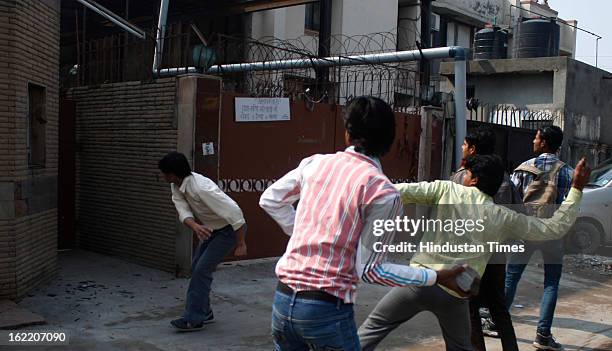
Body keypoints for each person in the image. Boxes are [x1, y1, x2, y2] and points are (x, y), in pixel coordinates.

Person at [259, 96, 466, 351]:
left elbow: (271, 200)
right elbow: (370, 270)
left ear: (347, 135)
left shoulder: (314, 164)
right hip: (326, 310)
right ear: (388, 144)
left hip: (283, 299)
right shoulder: (383, 192)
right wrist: (435, 276)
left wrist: (303, 232)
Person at [358, 154, 590, 351]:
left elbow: (395, 192)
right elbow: (553, 228)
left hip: (419, 282)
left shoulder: (445, 190)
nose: (462, 176)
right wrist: (576, 189)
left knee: (371, 331)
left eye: (466, 173)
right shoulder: (503, 217)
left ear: (474, 180)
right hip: (455, 294)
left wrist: (353, 191)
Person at [158, 151, 248, 331]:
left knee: (201, 270)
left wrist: (241, 244)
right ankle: (205, 311)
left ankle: (194, 318)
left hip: (230, 230)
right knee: (197, 266)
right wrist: (196, 227)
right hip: (212, 228)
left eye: (165, 173)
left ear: (173, 174)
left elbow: (236, 214)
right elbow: (182, 209)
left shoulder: (201, 188)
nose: (163, 177)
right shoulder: (177, 185)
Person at [504, 126, 573, 351]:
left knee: (511, 277)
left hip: (526, 230)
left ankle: (497, 321)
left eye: (536, 137)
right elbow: (570, 205)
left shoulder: (523, 169)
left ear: (543, 143)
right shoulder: (567, 172)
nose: (533, 140)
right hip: (552, 232)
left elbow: (512, 200)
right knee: (551, 283)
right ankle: (543, 335)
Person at [451, 128, 520, 351]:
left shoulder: (463, 176)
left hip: (471, 254)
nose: (461, 148)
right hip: (497, 253)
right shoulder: (505, 177)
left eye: (464, 145)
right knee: (499, 307)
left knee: (469, 309)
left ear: (472, 149)